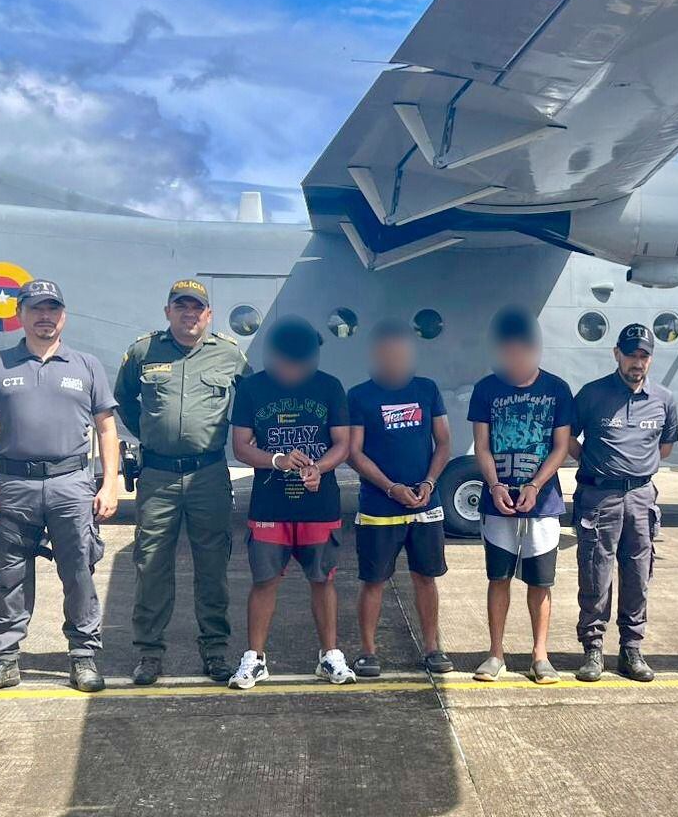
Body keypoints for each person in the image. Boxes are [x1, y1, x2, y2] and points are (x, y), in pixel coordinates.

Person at [0, 280, 119, 696]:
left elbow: (107, 428)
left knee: (79, 572)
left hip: (71, 483)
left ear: (63, 315)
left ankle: (83, 657)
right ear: (21, 314)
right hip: (13, 484)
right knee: (10, 575)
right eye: (36, 308)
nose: (44, 316)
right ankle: (4, 659)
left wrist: (109, 485)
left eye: (52, 308)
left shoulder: (86, 365)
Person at [115, 278, 250, 685]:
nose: (189, 314)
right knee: (152, 564)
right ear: (168, 311)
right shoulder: (144, 351)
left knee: (212, 566)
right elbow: (124, 400)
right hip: (157, 475)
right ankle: (149, 654)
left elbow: (251, 401)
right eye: (181, 306)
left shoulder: (229, 356)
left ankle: (215, 650)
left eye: (197, 308)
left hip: (208, 473)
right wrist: (152, 435)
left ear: (208, 315)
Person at [227, 317, 355, 689]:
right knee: (264, 580)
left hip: (318, 503)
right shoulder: (252, 389)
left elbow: (342, 443)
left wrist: (319, 468)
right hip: (270, 504)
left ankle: (329, 656)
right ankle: (255, 658)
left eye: (301, 363)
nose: (293, 370)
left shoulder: (329, 387)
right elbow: (241, 446)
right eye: (286, 362)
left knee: (323, 579)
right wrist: (277, 460)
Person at [468, 307, 574, 684]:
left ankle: (539, 656)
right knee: (498, 577)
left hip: (542, 504)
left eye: (521, 351)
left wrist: (534, 486)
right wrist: (495, 485)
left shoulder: (557, 389)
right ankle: (495, 654)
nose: (514, 359)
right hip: (497, 502)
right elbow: (482, 446)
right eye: (507, 351)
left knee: (541, 582)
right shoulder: (486, 389)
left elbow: (561, 447)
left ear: (535, 350)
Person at [569, 323, 678, 683]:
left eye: (644, 355)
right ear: (617, 354)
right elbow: (568, 438)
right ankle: (594, 648)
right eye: (631, 354)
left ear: (650, 359)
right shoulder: (592, 394)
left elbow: (664, 448)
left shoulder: (663, 399)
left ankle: (631, 648)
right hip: (600, 496)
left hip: (641, 497)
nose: (637, 361)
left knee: (637, 574)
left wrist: (636, 473)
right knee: (595, 571)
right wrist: (595, 464)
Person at [346, 318, 453, 677]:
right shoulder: (360, 395)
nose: (396, 359)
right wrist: (391, 487)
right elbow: (354, 453)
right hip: (380, 508)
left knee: (426, 577)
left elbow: (444, 443)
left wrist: (429, 482)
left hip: (425, 506)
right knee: (374, 580)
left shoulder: (427, 389)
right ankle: (367, 651)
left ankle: (432, 647)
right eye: (388, 353)